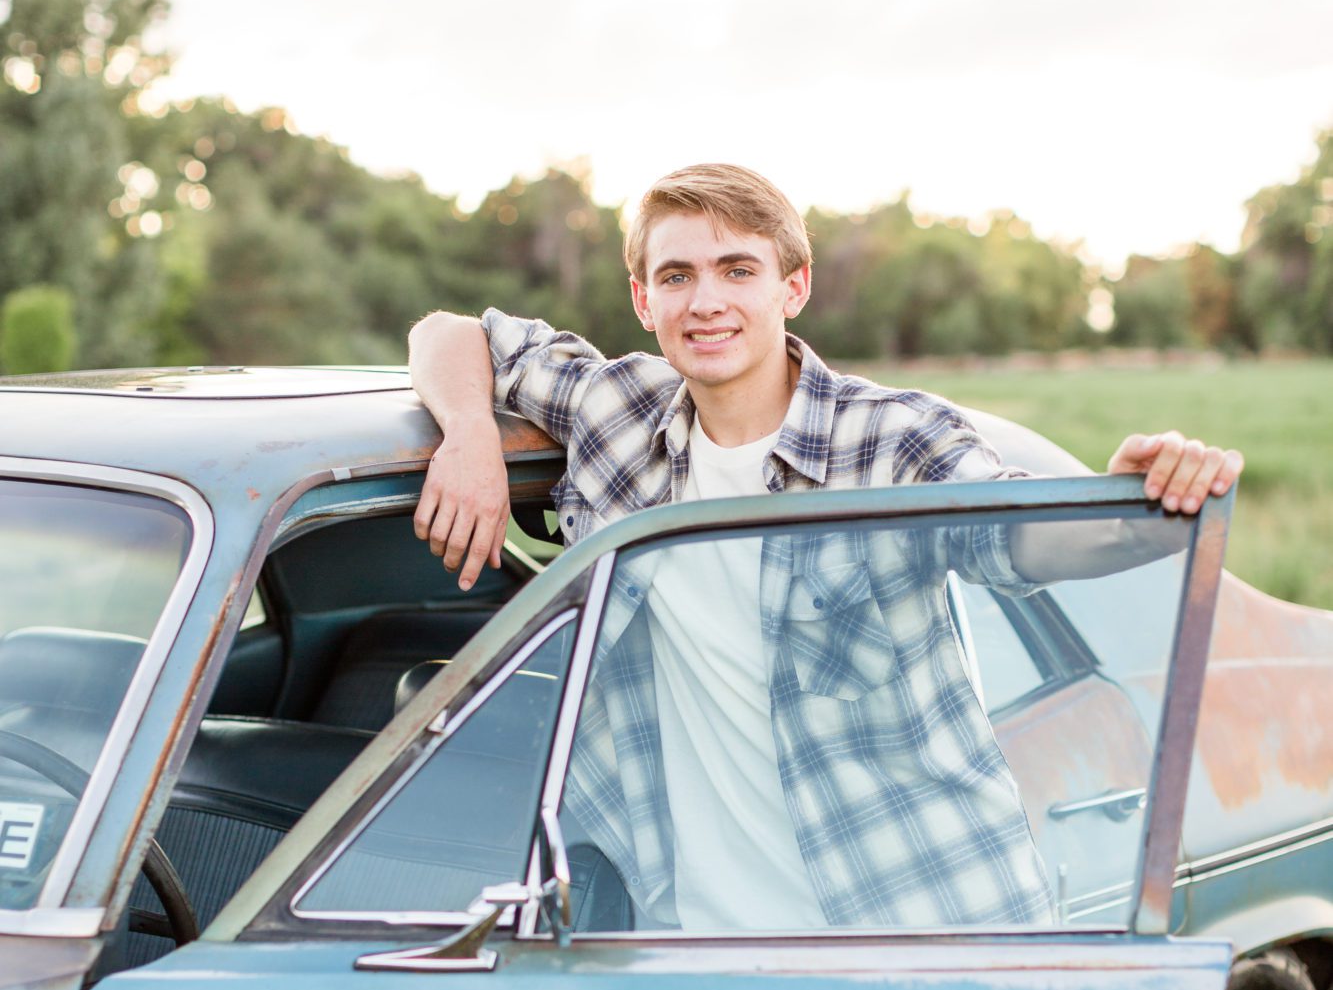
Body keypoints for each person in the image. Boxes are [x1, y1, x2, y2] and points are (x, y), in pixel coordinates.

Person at [409, 163, 1242, 931]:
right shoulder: (614, 410)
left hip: (914, 925)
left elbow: (1020, 536)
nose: (705, 302)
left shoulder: (888, 437)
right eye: (677, 276)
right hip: (685, 939)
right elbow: (446, 332)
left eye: (737, 270)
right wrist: (471, 435)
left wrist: (1143, 500)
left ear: (792, 286)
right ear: (642, 299)